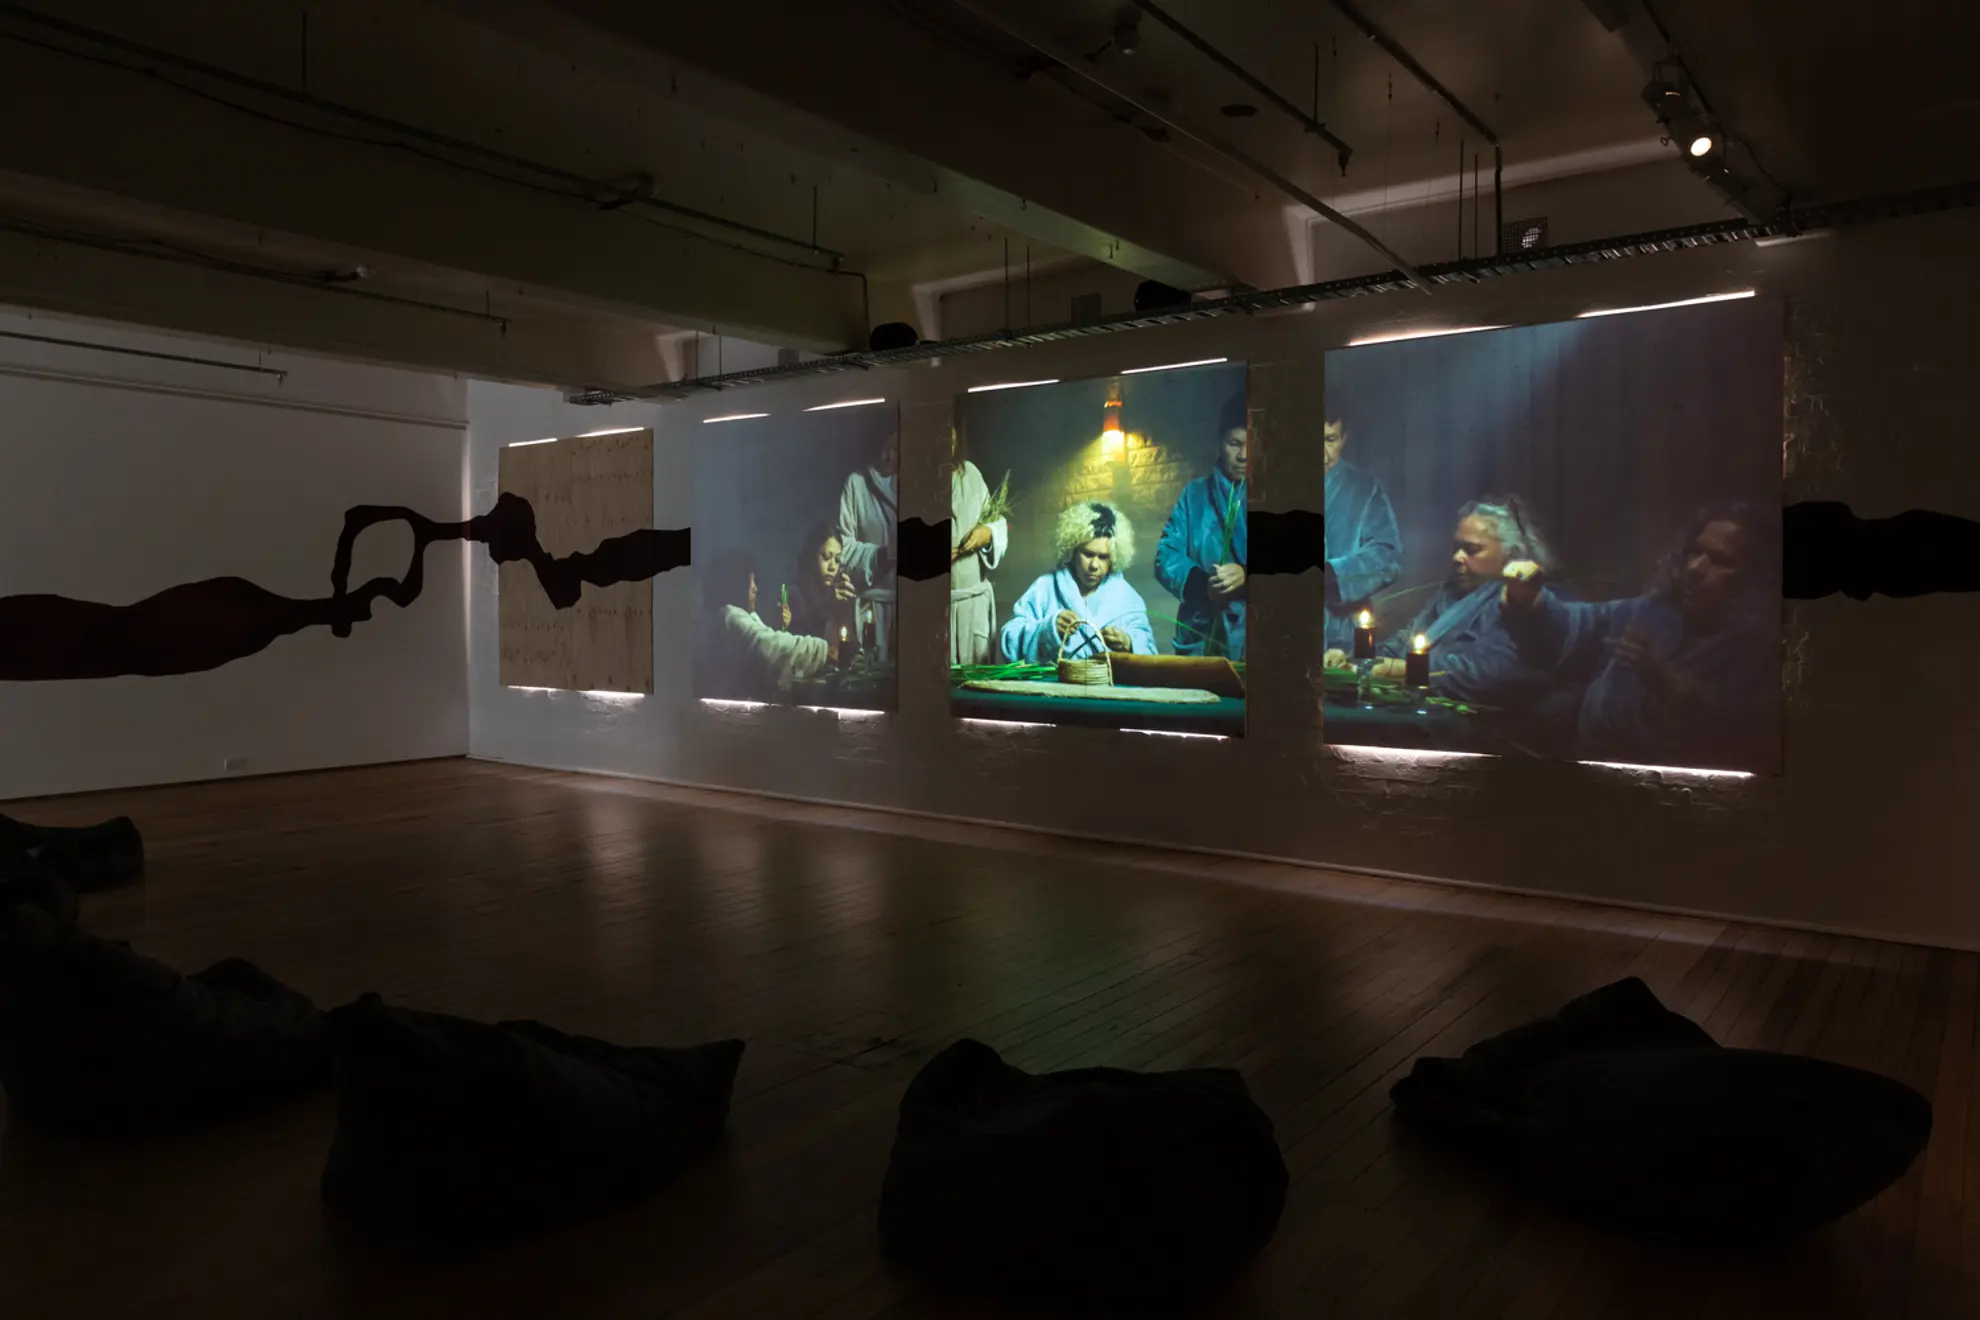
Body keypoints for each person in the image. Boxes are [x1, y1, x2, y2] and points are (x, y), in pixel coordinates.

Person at [1499, 502, 1779, 769]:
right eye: (1695, 552)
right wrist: (1530, 600)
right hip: (1587, 770)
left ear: (1754, 576)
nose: (1695, 568)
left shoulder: (1762, 651)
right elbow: (1585, 622)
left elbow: (1745, 732)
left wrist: (1672, 684)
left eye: (1720, 560)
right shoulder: (1653, 610)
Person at [1324, 495, 1558, 709]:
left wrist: (1397, 670)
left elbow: (1493, 671)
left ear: (1512, 555)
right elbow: (1406, 642)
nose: (1457, 557)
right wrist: (1353, 657)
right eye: (1457, 547)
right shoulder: (1452, 590)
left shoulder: (1524, 603)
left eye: (1472, 549)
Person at [1000, 502, 1157, 663]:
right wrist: (1048, 629)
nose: (1094, 566)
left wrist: (1129, 643)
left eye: (1103, 557)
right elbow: (1008, 640)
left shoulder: (1128, 598)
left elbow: (1151, 653)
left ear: (1115, 557)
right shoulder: (1045, 588)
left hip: (1109, 686)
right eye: (1088, 554)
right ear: (1072, 550)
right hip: (1052, 685)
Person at [1155, 394, 1248, 658]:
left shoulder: (1277, 497)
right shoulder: (1194, 495)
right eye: (1235, 444)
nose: (1244, 455)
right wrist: (1204, 586)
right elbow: (1165, 556)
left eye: (1252, 444)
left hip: (1256, 635)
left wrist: (1246, 576)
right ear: (1219, 443)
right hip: (1201, 632)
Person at [695, 549, 837, 701]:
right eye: (751, 581)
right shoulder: (728, 615)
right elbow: (768, 647)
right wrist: (822, 651)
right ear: (737, 585)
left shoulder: (728, 617)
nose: (755, 588)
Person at [1322, 415, 1403, 654]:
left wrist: (1333, 574)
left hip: (1343, 633)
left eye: (1330, 439)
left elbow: (1389, 557)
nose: (1321, 452)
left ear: (1344, 438)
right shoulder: (1278, 487)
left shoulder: (1365, 488)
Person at [947, 424, 1009, 666]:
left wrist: (987, 533)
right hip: (933, 608)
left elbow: (995, 522)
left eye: (951, 441)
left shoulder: (969, 474)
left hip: (972, 603)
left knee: (972, 680)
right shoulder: (913, 480)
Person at [837, 430, 899, 660]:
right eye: (884, 449)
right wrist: (879, 556)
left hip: (908, 603)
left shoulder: (915, 481)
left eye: (895, 449)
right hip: (873, 604)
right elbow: (843, 546)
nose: (889, 457)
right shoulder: (856, 484)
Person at [785, 521, 858, 643]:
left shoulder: (838, 593)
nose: (832, 567)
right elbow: (797, 638)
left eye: (837, 560)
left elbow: (847, 639)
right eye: (826, 557)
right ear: (812, 556)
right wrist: (829, 604)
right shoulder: (794, 594)